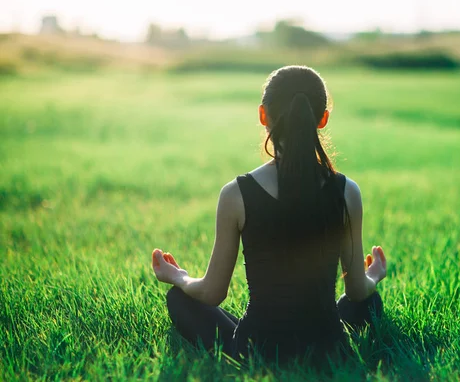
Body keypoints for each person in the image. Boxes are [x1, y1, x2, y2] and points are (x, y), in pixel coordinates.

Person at [152, 65, 387, 364]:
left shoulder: (236, 193)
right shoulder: (346, 191)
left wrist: (180, 277)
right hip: (328, 348)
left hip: (256, 348)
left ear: (263, 116)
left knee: (180, 298)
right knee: (368, 302)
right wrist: (374, 276)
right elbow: (356, 291)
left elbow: (211, 293)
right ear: (323, 118)